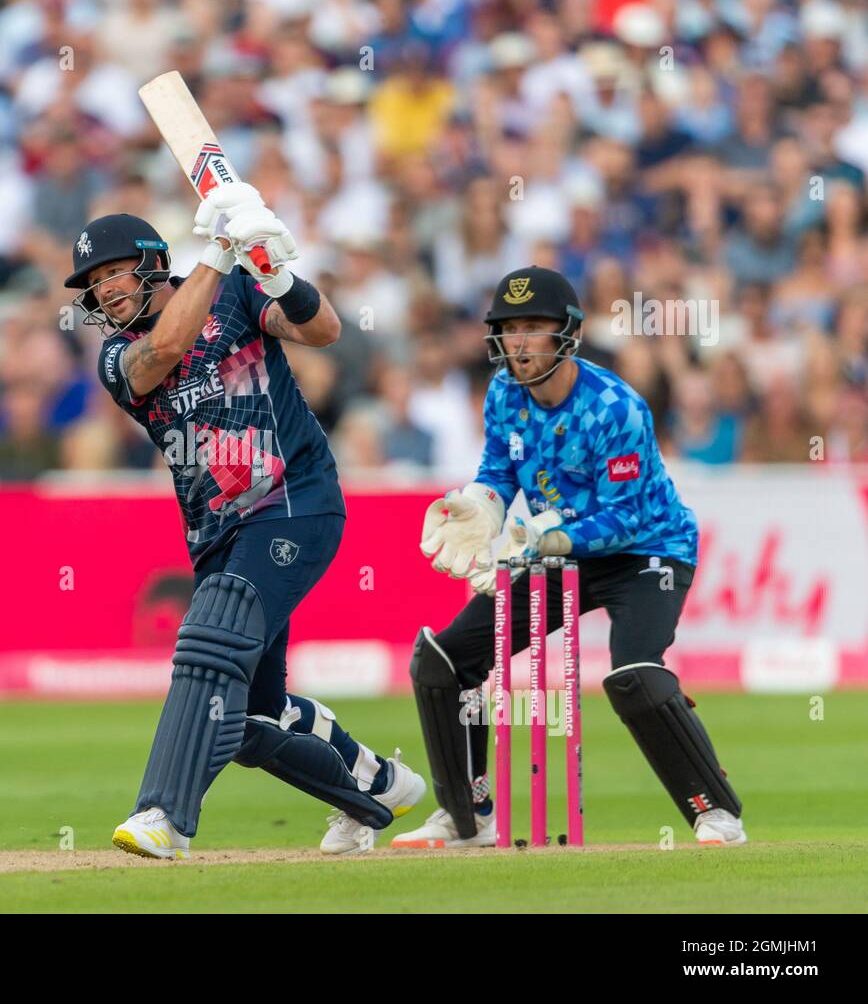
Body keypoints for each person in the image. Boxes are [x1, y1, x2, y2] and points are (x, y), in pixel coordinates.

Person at [66, 186, 425, 859]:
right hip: (217, 532)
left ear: (150, 263)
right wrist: (221, 249)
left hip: (295, 500)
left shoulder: (235, 292)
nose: (105, 290)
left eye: (114, 271)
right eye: (93, 282)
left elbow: (324, 331)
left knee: (210, 634)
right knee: (251, 721)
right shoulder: (118, 356)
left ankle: (163, 816)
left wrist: (280, 277)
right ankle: (375, 794)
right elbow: (167, 348)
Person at [396, 266, 746, 849]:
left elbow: (626, 515)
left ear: (568, 333)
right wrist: (480, 508)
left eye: (534, 327)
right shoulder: (505, 394)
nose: (520, 342)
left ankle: (716, 813)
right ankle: (467, 816)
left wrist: (546, 537)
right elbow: (498, 471)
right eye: (509, 329)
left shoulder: (615, 406)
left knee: (634, 672)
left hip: (649, 551)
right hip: (559, 554)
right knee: (444, 658)